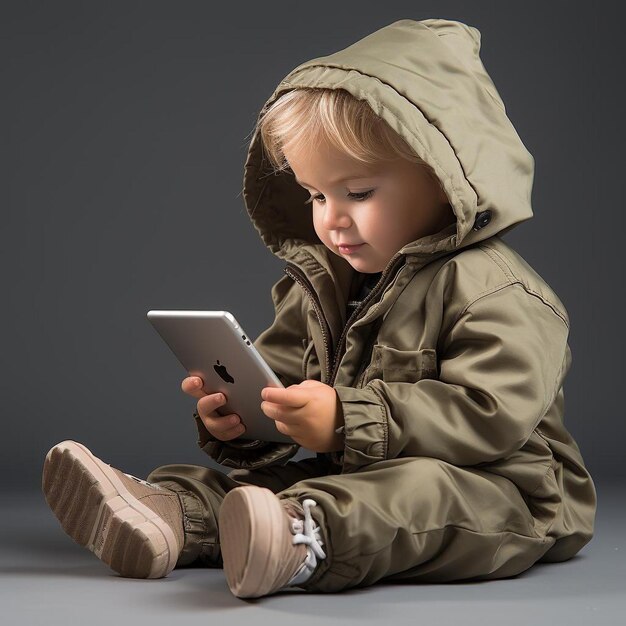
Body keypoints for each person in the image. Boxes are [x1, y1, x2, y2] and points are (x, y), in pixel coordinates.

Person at [42, 18, 597, 599]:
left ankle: (300, 540)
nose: (332, 218)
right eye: (316, 195)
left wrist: (345, 420)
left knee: (414, 492)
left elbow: (491, 412)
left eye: (358, 193)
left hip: (509, 492)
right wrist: (240, 420)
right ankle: (178, 514)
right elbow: (280, 380)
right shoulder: (328, 284)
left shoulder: (496, 289)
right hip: (361, 470)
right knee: (271, 481)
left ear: (445, 180)